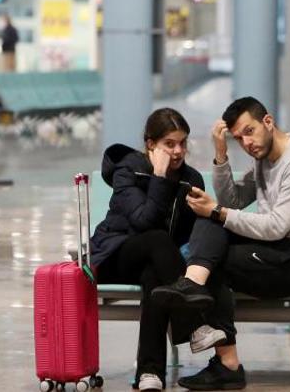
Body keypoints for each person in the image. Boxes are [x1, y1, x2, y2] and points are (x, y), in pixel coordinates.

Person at [151, 97, 290, 391]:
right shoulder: (264, 159)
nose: (247, 142)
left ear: (268, 122)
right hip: (281, 249)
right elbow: (233, 200)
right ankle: (194, 283)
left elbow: (277, 227)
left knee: (219, 253)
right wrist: (220, 154)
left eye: (249, 131)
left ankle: (227, 364)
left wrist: (217, 211)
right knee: (211, 222)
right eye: (239, 138)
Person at [88, 108, 204, 391]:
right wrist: (160, 176)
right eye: (170, 144)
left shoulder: (191, 179)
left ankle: (149, 374)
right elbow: (143, 220)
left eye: (183, 143)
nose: (178, 151)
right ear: (150, 143)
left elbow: (190, 234)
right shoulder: (128, 169)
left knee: (156, 275)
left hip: (160, 264)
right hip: (115, 254)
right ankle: (195, 326)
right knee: (157, 238)